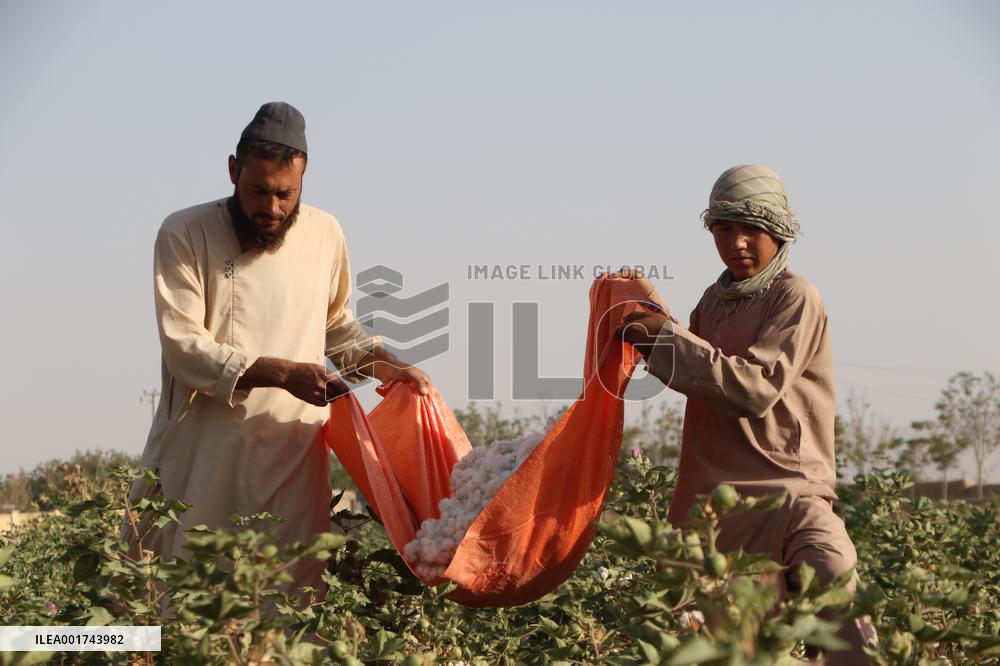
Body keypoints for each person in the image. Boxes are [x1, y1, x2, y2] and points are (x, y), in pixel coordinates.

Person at [126, 102, 430, 602]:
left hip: (294, 456)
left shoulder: (325, 233)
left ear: (304, 179)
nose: (271, 208)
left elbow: (334, 325)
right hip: (204, 455)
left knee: (288, 606)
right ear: (232, 171)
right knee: (185, 603)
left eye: (285, 194)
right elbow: (183, 345)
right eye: (258, 191)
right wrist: (281, 373)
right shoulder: (184, 233)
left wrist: (388, 366)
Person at [618, 165, 877, 664]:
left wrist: (661, 337)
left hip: (792, 491)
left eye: (751, 229)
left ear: (778, 232)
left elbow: (753, 389)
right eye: (724, 229)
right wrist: (643, 326)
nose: (737, 243)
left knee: (841, 597)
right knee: (726, 645)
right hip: (718, 507)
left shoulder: (795, 297)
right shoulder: (710, 305)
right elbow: (696, 371)